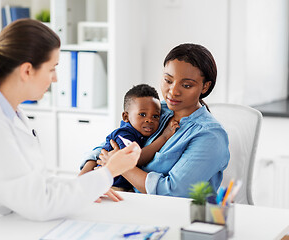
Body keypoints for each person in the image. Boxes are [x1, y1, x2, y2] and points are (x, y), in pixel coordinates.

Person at [0, 19, 141, 240]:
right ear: (27, 70)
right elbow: (40, 203)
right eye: (52, 69)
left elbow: (36, 183)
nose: (56, 78)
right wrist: (107, 172)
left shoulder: (11, 114)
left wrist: (87, 186)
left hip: (7, 223)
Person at [82, 43, 230, 198]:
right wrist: (83, 179)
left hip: (169, 212)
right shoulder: (156, 110)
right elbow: (111, 144)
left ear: (205, 87)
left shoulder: (210, 136)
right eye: (168, 80)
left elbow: (173, 191)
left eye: (186, 85)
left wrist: (119, 166)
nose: (173, 91)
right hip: (127, 198)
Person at [79, 84, 179, 191]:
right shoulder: (124, 134)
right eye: (142, 114)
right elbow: (135, 159)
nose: (149, 120)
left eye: (155, 116)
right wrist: (164, 137)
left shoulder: (140, 134)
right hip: (107, 186)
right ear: (126, 117)